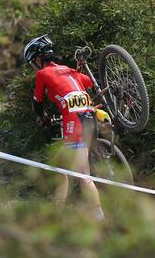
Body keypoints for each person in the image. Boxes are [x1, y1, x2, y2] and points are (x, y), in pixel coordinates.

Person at [23, 34, 105, 221]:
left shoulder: (42, 74)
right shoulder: (69, 71)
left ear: (38, 58)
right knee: (59, 166)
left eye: (32, 61)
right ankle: (57, 210)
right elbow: (94, 85)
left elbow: (37, 103)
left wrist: (42, 118)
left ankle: (100, 218)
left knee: (84, 176)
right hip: (90, 118)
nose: (33, 66)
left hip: (74, 124)